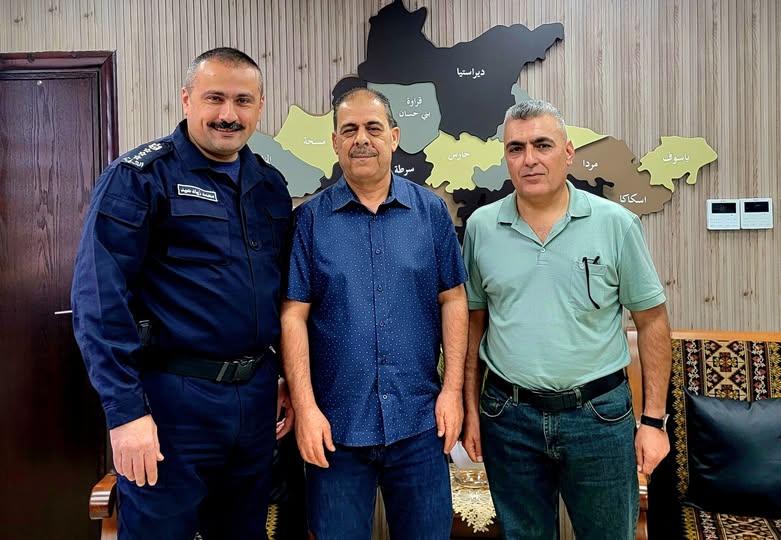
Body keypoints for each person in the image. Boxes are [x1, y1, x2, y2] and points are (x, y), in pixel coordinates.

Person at [71, 47, 294, 540]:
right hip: (172, 401)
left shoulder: (270, 186)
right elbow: (100, 303)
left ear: (260, 107)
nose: (228, 114)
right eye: (215, 98)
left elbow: (277, 293)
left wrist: (281, 374)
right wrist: (126, 414)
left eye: (243, 100)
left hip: (255, 399)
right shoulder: (139, 178)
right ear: (187, 99)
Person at [461, 99, 672, 540]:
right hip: (509, 418)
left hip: (599, 418)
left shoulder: (616, 224)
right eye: (516, 148)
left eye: (542, 145)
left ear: (569, 152)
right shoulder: (481, 227)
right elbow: (473, 324)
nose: (529, 159)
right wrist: (470, 411)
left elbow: (651, 321)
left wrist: (653, 422)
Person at [281, 87, 468, 539]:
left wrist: (452, 391)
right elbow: (293, 316)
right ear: (335, 142)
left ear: (394, 137)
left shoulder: (430, 212)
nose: (361, 139)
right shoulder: (309, 221)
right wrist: (306, 408)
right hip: (335, 428)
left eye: (373, 128)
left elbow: (454, 300)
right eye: (349, 130)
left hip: (419, 422)